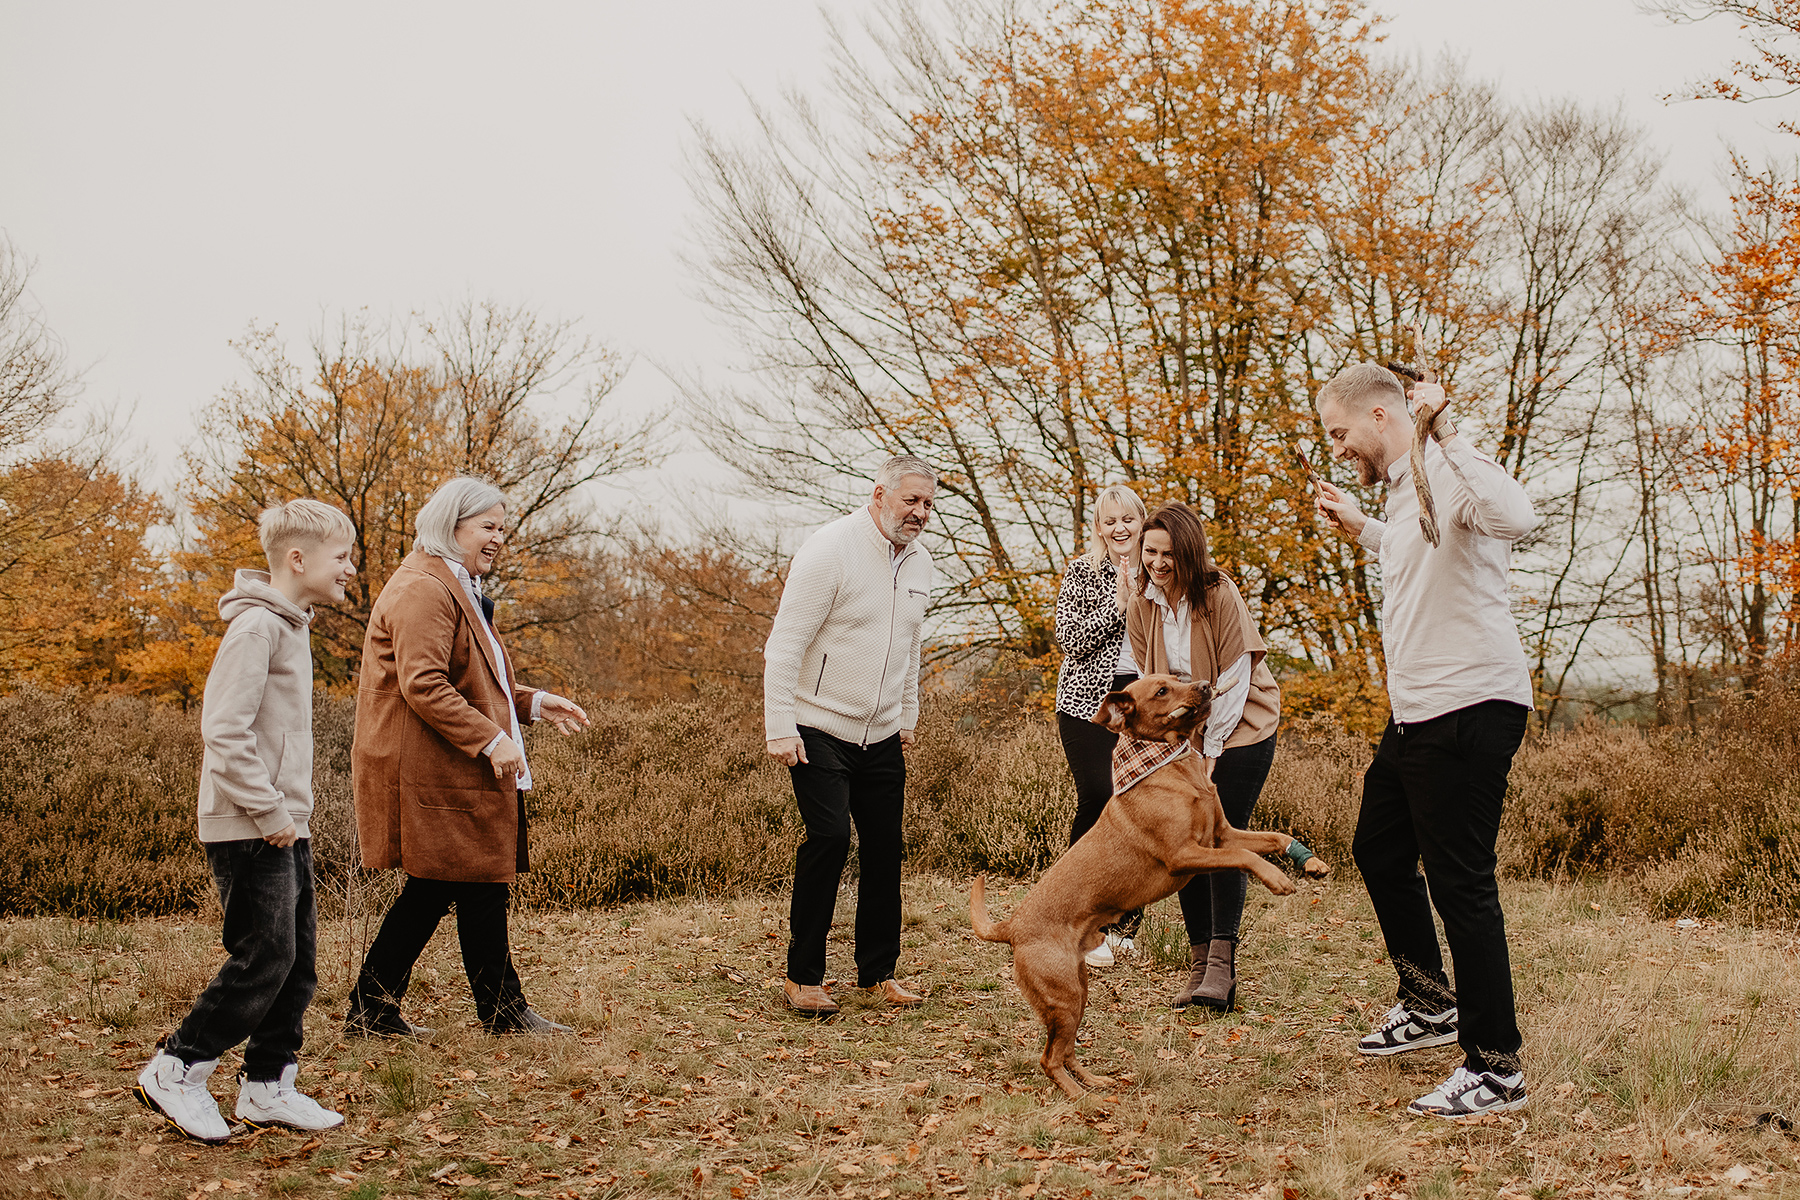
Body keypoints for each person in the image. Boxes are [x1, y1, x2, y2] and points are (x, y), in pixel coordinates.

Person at [1313, 361, 1537, 1118]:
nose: (1338, 448)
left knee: (1460, 883)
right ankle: (1431, 1002)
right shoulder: (1409, 492)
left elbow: (1516, 518)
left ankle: (1496, 1068)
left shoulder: (1444, 462)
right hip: (1417, 713)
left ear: (1381, 417)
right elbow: (1422, 560)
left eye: (1341, 433)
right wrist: (1363, 528)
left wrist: (1444, 427)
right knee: (1378, 848)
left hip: (1469, 704)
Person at [134, 499, 358, 1143]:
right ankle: (177, 1067)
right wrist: (267, 809)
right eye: (340, 557)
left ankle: (267, 1085)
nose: (349, 568)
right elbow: (223, 732)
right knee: (266, 953)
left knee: (299, 959)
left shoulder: (292, 624)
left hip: (285, 819)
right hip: (250, 822)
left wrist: (289, 811)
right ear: (298, 559)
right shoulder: (257, 628)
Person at [345, 476, 591, 1039]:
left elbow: (475, 678)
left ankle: (386, 1009)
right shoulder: (424, 589)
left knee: (465, 883)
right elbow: (424, 683)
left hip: (449, 765)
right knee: (450, 883)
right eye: (488, 527)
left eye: (502, 527)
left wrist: (533, 703)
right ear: (449, 526)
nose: (498, 538)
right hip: (430, 767)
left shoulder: (452, 583)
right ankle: (402, 1009)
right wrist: (491, 738)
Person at [764, 454, 937, 1016]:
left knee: (886, 849)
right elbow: (785, 644)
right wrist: (780, 725)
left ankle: (876, 974)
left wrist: (906, 717)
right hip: (819, 726)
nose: (919, 512)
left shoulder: (921, 563)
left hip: (883, 732)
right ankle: (803, 976)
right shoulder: (830, 549)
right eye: (910, 500)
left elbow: (910, 647)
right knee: (831, 837)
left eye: (928, 504)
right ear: (879, 494)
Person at [1124, 502, 1281, 1011]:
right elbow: (1146, 673)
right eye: (1151, 551)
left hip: (1241, 727)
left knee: (1220, 833)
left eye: (1169, 553)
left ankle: (1221, 968)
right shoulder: (1143, 601)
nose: (1158, 562)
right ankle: (1197, 966)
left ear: (1188, 553)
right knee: (1185, 839)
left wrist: (1210, 750)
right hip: (1182, 732)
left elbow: (1234, 677)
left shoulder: (1217, 592)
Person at [1052, 484, 1148, 968]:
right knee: (1098, 796)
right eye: (1110, 521)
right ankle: (1079, 920)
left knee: (1138, 806)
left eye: (1128, 519)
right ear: (1098, 528)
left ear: (1141, 521)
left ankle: (1125, 922)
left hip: (1142, 705)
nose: (1120, 529)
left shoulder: (1160, 568)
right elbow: (1069, 639)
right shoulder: (1083, 573)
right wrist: (1118, 605)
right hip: (1087, 703)